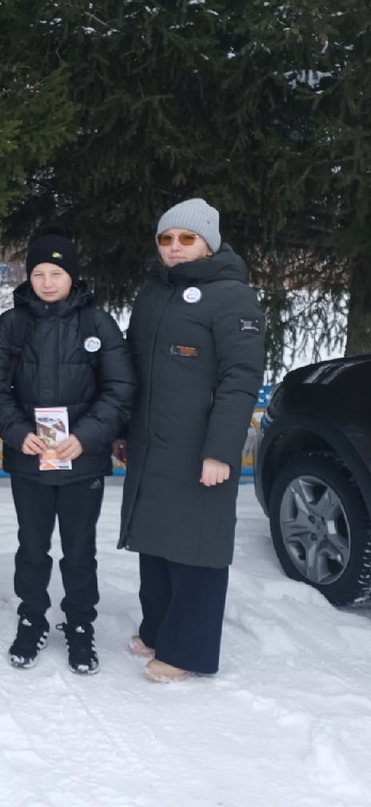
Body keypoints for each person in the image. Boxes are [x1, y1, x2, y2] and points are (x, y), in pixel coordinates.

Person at [117, 198, 265, 682]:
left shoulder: (233, 297)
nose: (175, 247)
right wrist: (123, 430)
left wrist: (221, 451)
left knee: (197, 547)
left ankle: (186, 651)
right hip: (152, 441)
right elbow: (133, 371)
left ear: (209, 244)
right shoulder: (153, 292)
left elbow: (241, 380)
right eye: (166, 238)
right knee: (155, 541)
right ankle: (157, 629)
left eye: (187, 238)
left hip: (201, 448)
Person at [0, 230, 135, 674]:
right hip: (29, 460)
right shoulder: (11, 325)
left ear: (73, 276)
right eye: (39, 273)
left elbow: (119, 389)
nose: (47, 282)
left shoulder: (97, 325)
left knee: (79, 549)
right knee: (32, 547)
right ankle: (31, 618)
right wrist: (18, 432)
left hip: (82, 462)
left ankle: (80, 624)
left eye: (57, 273)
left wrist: (85, 436)